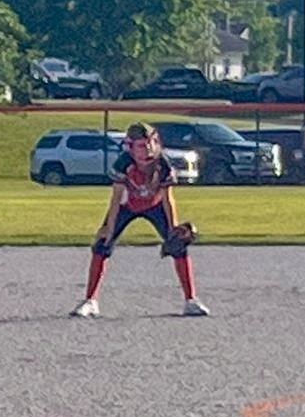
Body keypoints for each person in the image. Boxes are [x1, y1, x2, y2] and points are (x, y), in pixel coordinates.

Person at [71, 121, 209, 318]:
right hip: (127, 205)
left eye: (152, 143)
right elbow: (116, 198)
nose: (148, 150)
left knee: (179, 245)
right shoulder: (123, 164)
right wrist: (109, 229)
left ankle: (191, 300)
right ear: (130, 148)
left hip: (155, 205)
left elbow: (168, 199)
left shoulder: (163, 165)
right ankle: (90, 301)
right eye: (142, 146)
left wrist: (172, 228)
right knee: (102, 245)